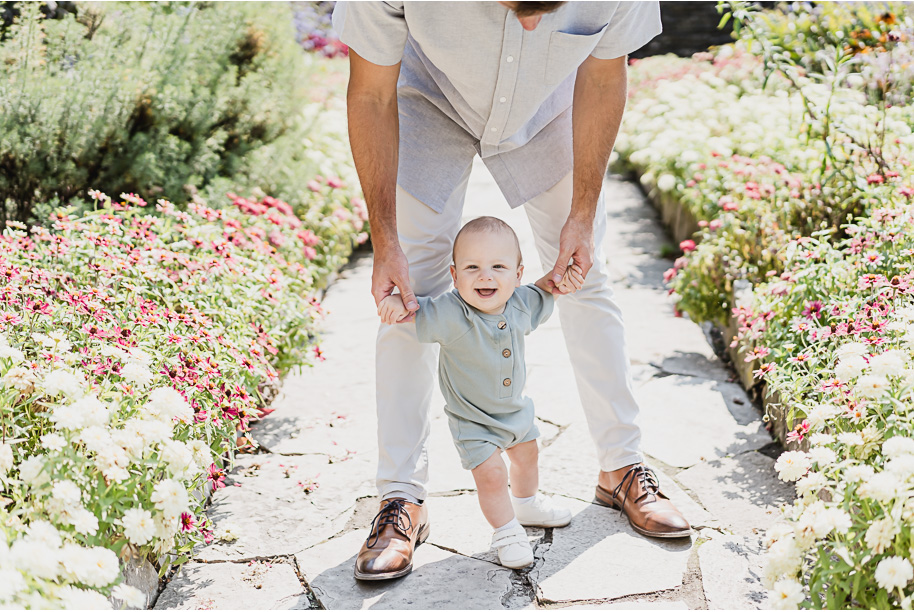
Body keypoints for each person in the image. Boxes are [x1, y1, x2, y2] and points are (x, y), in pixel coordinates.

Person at [332, 0, 693, 581]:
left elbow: (604, 72)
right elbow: (371, 92)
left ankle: (621, 466)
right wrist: (385, 238)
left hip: (549, 106)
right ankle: (401, 499)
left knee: (584, 276)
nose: (530, 25)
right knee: (405, 298)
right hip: (428, 102)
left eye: (547, 9)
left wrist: (582, 212)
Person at [377, 217, 581, 570]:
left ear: (517, 276)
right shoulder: (450, 313)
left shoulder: (521, 302)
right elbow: (417, 310)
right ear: (455, 277)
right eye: (472, 267)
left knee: (527, 455)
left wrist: (558, 280)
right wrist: (398, 304)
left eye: (498, 267)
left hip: (516, 412)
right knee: (491, 475)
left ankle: (527, 501)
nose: (485, 276)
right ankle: (504, 530)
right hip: (473, 420)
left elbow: (547, 288)